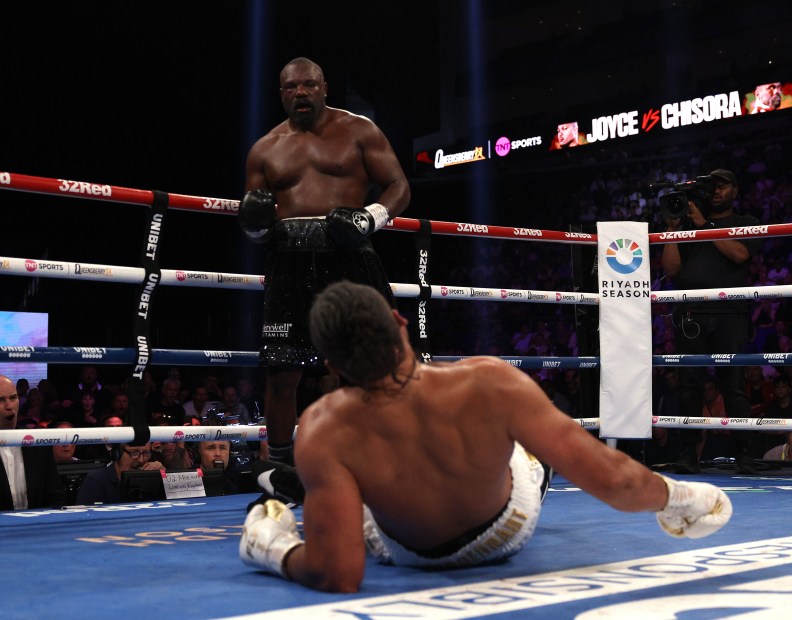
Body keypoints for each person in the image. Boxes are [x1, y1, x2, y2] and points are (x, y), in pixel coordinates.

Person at [240, 282, 732, 592]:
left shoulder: (322, 429)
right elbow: (614, 480)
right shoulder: (487, 382)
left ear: (330, 365)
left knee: (349, 482)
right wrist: (681, 497)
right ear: (399, 321)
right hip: (506, 527)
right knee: (529, 443)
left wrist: (271, 548)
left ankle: (298, 488)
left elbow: (338, 574)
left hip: (405, 553)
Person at [242, 57, 411, 465]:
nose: (300, 93)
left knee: (376, 362)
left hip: (349, 253)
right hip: (288, 261)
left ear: (324, 87)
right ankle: (281, 468)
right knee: (282, 372)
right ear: (281, 94)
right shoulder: (264, 148)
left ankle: (394, 458)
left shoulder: (358, 130)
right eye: (290, 88)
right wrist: (254, 226)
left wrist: (368, 218)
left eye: (308, 85)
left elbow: (398, 186)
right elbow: (256, 227)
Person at [661, 169, 760, 474]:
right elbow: (672, 269)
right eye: (712, 187)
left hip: (730, 313)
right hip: (692, 314)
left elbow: (741, 254)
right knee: (689, 387)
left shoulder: (746, 223)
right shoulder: (690, 228)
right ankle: (689, 454)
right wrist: (674, 229)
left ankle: (743, 455)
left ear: (736, 190)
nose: (717, 191)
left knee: (734, 386)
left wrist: (707, 226)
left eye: (723, 185)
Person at [0, 375, 66, 510]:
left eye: (13, 398)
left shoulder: (37, 442)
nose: (9, 406)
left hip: (35, 527)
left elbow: (55, 496)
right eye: (1, 400)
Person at [75, 439, 164, 505]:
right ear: (117, 454)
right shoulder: (96, 480)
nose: (141, 460)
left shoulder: (153, 477)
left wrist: (165, 477)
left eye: (145, 453)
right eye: (134, 453)